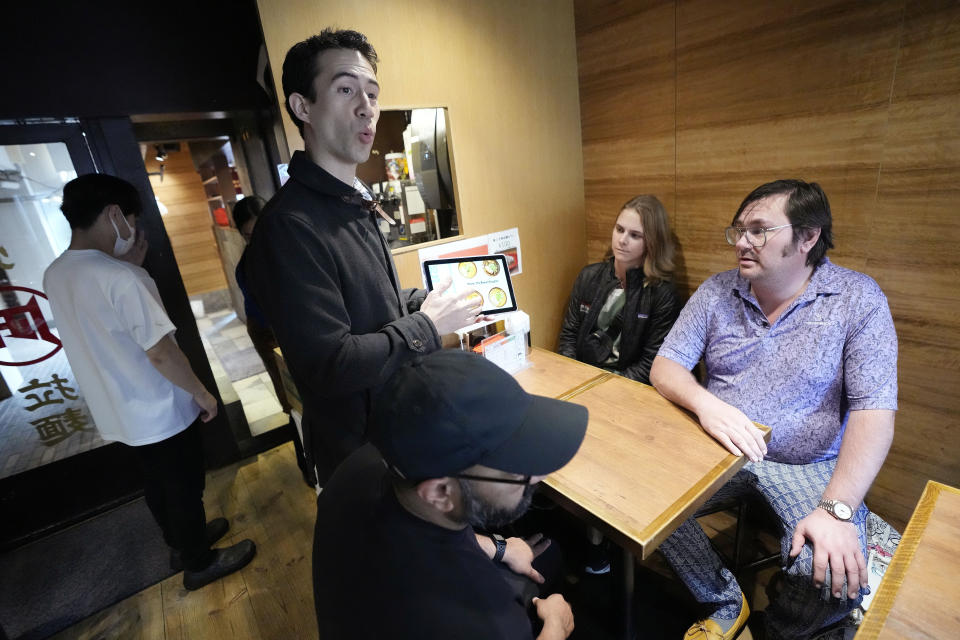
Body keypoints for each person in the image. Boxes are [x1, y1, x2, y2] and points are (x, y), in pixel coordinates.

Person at [649, 180, 898, 639]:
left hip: (810, 465)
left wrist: (838, 511)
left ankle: (782, 631)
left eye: (759, 230)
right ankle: (725, 601)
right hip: (720, 448)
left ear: (808, 237)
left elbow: (874, 410)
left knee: (826, 575)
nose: (742, 242)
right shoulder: (717, 291)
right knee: (639, 499)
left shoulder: (858, 299)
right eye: (739, 230)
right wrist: (707, 405)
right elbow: (666, 366)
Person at [244, 28, 479, 485]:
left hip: (401, 425)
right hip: (364, 454)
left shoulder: (353, 197)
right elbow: (331, 364)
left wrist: (421, 300)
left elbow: (366, 302)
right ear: (302, 107)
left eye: (372, 92)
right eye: (346, 89)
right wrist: (427, 325)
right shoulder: (290, 226)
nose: (366, 106)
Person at [43, 174, 256, 591]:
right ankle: (199, 562)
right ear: (113, 214)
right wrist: (202, 393)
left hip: (118, 409)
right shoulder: (122, 279)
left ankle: (181, 544)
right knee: (183, 486)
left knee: (157, 485)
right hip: (158, 407)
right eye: (132, 218)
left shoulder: (56, 273)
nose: (134, 230)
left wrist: (129, 271)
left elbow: (101, 320)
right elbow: (159, 351)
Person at [313, 349, 588, 639]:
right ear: (440, 492)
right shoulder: (485, 621)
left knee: (549, 555)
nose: (540, 475)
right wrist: (555, 625)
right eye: (516, 470)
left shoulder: (364, 465)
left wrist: (498, 547)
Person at [232, 196, 313, 486]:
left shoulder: (287, 247)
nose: (258, 239)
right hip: (268, 332)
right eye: (249, 235)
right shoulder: (249, 264)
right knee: (291, 399)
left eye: (262, 229)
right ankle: (308, 466)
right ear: (241, 235)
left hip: (289, 328)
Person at [558, 194, 680, 385]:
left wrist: (609, 389)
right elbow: (569, 337)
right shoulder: (589, 276)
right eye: (619, 229)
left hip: (626, 385)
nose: (622, 240)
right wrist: (573, 378)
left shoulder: (661, 294)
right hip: (580, 377)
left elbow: (651, 363)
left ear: (652, 242)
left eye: (635, 235)